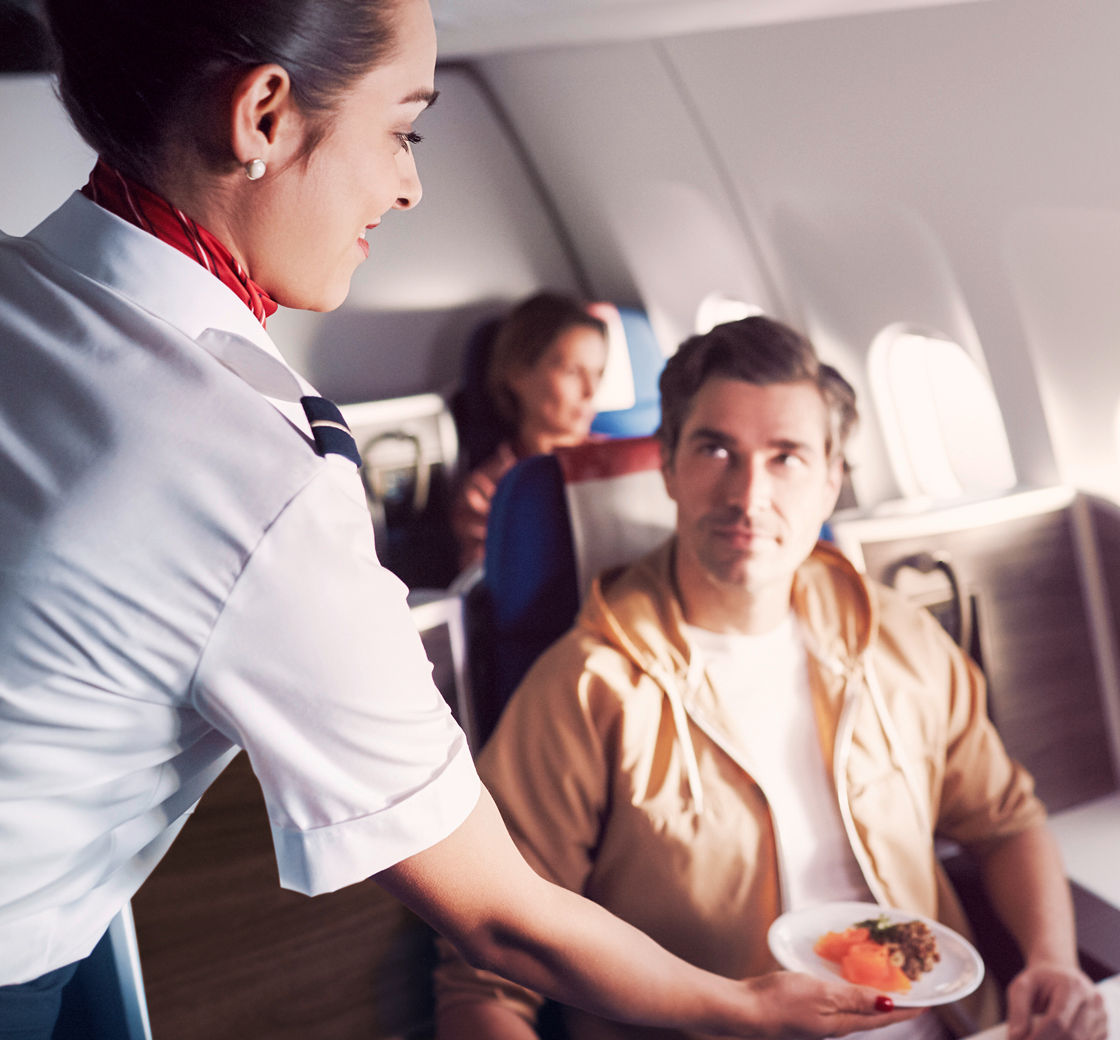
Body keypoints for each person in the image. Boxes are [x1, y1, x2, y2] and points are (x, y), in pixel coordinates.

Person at [0, 4, 918, 1039]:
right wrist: (741, 1005)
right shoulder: (255, 473)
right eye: (402, 130)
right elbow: (497, 918)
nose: (408, 184)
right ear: (262, 114)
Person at [434, 316, 1109, 1040]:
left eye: (786, 456)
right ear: (667, 465)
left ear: (831, 483)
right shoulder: (587, 687)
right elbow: (486, 985)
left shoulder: (898, 638)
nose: (749, 494)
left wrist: (1052, 961)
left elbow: (1006, 821)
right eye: (717, 449)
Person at [451, 291, 608, 569]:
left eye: (597, 374)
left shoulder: (618, 462)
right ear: (518, 375)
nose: (590, 392)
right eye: (572, 372)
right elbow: (491, 589)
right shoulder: (489, 490)